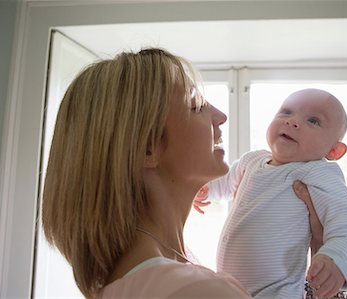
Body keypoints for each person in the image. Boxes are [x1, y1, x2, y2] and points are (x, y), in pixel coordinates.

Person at [41, 48, 322, 299]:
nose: (221, 115)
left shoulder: (121, 282)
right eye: (196, 105)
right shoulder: (199, 291)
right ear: (148, 148)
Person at [194, 88, 347, 298]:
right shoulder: (252, 160)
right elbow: (224, 183)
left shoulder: (317, 172)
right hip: (229, 288)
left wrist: (335, 259)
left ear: (334, 151)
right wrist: (204, 188)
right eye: (286, 112)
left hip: (277, 291)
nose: (292, 122)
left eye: (313, 121)